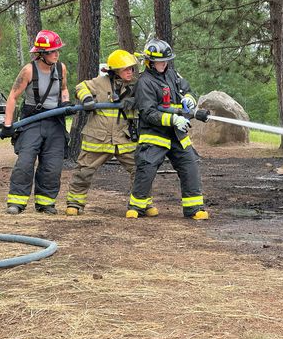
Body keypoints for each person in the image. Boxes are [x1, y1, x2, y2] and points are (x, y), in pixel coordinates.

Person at [65, 49, 158, 217]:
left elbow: (151, 98)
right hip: (98, 138)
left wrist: (136, 100)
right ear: (115, 70)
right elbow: (80, 86)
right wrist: (86, 99)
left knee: (141, 170)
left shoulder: (138, 85)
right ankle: (75, 203)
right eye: (125, 69)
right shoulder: (100, 83)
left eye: (131, 68)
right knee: (84, 171)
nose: (130, 72)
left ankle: (143, 203)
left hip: (125, 138)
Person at [126, 39, 209, 220]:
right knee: (146, 168)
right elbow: (148, 113)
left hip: (176, 134)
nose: (164, 65)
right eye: (160, 62)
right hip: (154, 134)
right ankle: (137, 206)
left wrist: (188, 99)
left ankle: (194, 208)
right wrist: (173, 118)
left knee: (190, 165)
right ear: (149, 62)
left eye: (166, 61)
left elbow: (184, 88)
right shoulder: (144, 82)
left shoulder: (171, 74)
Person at [1, 30, 70, 215]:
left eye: (57, 50)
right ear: (41, 53)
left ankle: (45, 203)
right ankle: (16, 203)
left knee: (52, 166)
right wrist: (8, 124)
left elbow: (64, 89)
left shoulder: (61, 68)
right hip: (32, 121)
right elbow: (13, 96)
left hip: (55, 122)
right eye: (52, 51)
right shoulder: (28, 70)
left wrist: (65, 101)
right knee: (25, 163)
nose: (56, 54)